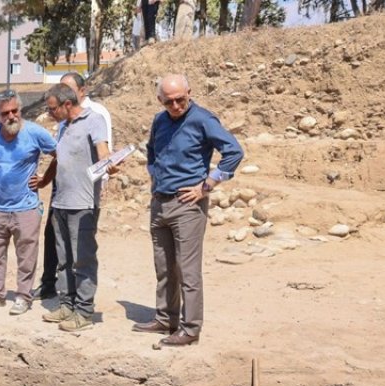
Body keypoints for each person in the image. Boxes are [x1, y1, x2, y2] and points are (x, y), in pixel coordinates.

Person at [136, 74, 243, 347]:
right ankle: (165, 318)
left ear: (189, 93)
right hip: (159, 202)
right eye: (168, 101)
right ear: (160, 100)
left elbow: (234, 152)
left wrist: (207, 185)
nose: (175, 106)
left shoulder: (203, 120)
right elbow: (152, 152)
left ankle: (190, 328)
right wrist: (153, 176)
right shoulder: (160, 121)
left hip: (188, 204)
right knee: (164, 267)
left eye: (180, 100)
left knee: (188, 270)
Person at [36, 84, 112, 332]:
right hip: (60, 203)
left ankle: (84, 311)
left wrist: (110, 163)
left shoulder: (94, 120)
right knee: (63, 259)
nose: (50, 114)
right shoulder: (62, 127)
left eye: (52, 109)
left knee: (83, 260)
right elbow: (60, 161)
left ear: (67, 104)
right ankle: (66, 305)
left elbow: (103, 153)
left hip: (83, 204)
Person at [0, 90, 57, 316]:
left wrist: (45, 179)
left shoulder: (35, 133)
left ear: (20, 110)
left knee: (26, 256)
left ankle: (23, 296)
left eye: (15, 111)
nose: (11, 117)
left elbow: (59, 153)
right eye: (5, 113)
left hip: (26, 207)